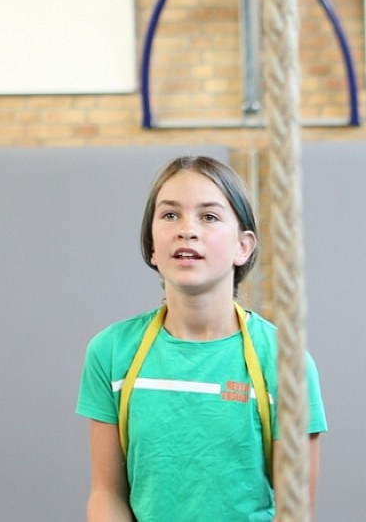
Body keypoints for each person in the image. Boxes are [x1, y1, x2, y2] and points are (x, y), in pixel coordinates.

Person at [77, 156, 328, 521]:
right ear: (151, 246)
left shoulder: (285, 364)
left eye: (208, 216)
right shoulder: (111, 352)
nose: (186, 229)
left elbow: (294, 509)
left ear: (244, 246)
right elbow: (107, 493)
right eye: (170, 215)